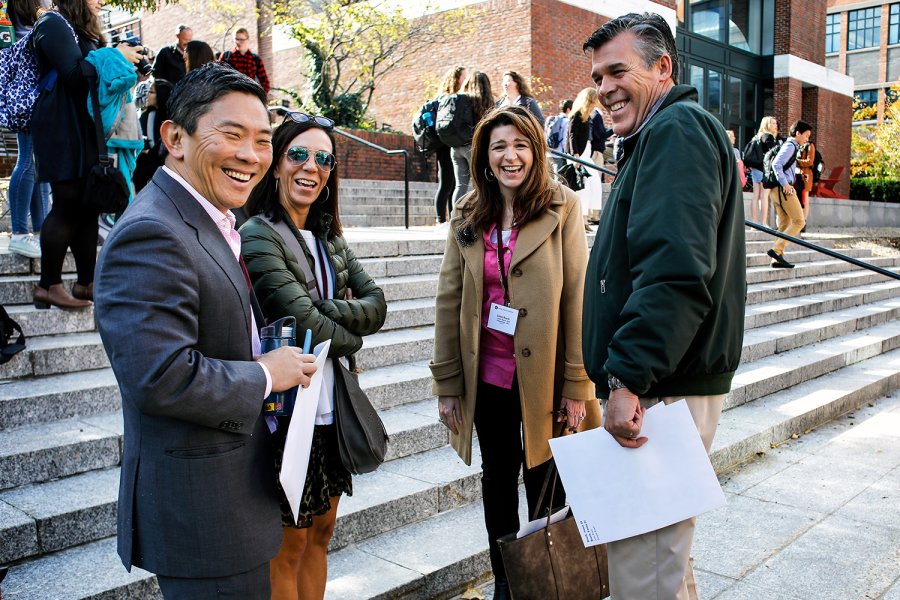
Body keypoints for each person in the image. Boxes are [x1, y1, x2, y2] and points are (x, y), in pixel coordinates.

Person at [94, 63, 319, 600]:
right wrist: (266, 375)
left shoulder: (207, 214)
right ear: (174, 137)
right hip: (203, 511)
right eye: (232, 135)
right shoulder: (152, 231)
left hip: (232, 497)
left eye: (264, 141)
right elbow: (160, 376)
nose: (252, 156)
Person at [581, 13, 745, 600]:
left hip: (661, 385)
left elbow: (675, 269)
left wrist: (628, 375)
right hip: (662, 381)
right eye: (597, 77)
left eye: (618, 71)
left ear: (662, 68)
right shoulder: (661, 134)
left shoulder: (676, 130)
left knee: (644, 573)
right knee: (663, 568)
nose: (604, 89)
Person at [430, 105, 601, 600]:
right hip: (489, 374)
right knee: (497, 480)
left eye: (521, 145)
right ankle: (508, 581)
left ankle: (548, 582)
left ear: (536, 151)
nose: (511, 156)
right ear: (484, 155)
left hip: (546, 375)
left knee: (546, 477)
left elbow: (577, 296)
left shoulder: (561, 206)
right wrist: (447, 383)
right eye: (499, 146)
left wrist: (577, 383)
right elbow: (449, 297)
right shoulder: (467, 212)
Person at [240, 112, 387, 600]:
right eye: (298, 154)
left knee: (322, 534)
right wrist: (349, 331)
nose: (311, 167)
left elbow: (377, 305)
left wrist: (331, 310)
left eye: (323, 158)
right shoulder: (259, 232)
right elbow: (304, 322)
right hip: (285, 411)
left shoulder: (329, 236)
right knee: (290, 545)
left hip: (331, 406)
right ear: (277, 163)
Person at [30, 0, 144, 309]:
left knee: (88, 203)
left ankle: (86, 282)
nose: (102, 1)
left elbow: (95, 78)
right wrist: (117, 55)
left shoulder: (84, 29)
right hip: (60, 126)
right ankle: (48, 285)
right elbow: (74, 75)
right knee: (67, 202)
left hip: (85, 126)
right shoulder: (51, 23)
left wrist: (124, 64)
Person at [6, 0, 50, 259]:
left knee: (36, 163)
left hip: (31, 93)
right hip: (30, 95)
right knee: (28, 161)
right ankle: (21, 233)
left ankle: (40, 230)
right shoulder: (28, 23)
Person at [767, 120, 812, 269]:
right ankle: (776, 250)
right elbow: (776, 164)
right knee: (799, 221)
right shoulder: (790, 145)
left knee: (785, 223)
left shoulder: (791, 146)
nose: (807, 139)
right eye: (806, 136)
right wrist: (786, 184)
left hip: (776, 191)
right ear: (797, 133)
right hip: (784, 190)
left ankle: (777, 258)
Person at [449, 71, 495, 206]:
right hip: (473, 147)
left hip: (455, 147)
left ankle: (455, 219)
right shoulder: (485, 102)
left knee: (460, 186)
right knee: (479, 185)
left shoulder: (459, 99)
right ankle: (479, 216)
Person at [433, 65, 467, 224]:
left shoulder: (447, 97)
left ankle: (450, 217)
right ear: (456, 78)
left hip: (450, 143)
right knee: (446, 182)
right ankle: (440, 219)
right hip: (445, 144)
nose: (466, 79)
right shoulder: (447, 98)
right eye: (463, 76)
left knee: (452, 183)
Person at [132, 78, 174, 193]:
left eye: (151, 92)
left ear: (161, 95)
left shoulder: (173, 121)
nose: (147, 95)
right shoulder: (147, 116)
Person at [746, 116, 778, 226]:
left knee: (755, 196)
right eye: (773, 123)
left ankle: (754, 223)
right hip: (764, 170)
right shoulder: (768, 137)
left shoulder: (756, 136)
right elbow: (772, 156)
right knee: (764, 197)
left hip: (755, 169)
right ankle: (764, 223)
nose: (775, 125)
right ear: (767, 125)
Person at [219, 27, 271, 95]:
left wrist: (259, 97)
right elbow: (217, 77)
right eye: (236, 39)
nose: (238, 42)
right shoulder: (226, 56)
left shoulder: (255, 59)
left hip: (249, 96)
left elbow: (265, 82)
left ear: (248, 39)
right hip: (230, 96)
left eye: (241, 40)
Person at [545, 98, 572, 171]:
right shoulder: (567, 121)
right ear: (568, 109)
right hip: (559, 154)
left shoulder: (551, 119)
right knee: (558, 179)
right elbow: (565, 140)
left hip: (548, 153)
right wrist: (566, 155)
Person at [796, 137, 816, 226]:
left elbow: (810, 161)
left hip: (806, 174)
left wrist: (797, 161)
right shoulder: (799, 146)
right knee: (799, 197)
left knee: (805, 197)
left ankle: (804, 221)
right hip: (798, 174)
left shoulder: (810, 146)